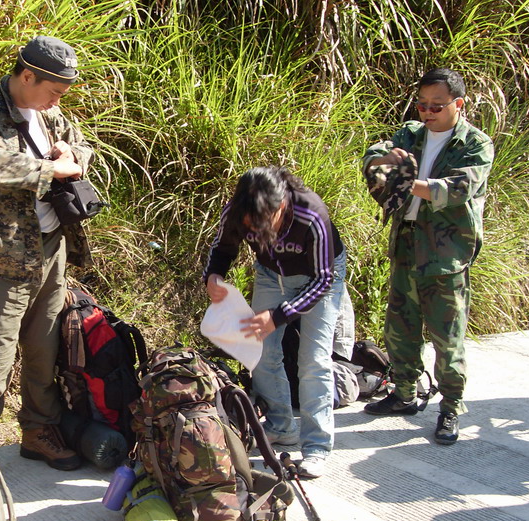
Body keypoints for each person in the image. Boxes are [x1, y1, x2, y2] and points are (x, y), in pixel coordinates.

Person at [0, 35, 95, 470]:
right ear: (27, 75)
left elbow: (83, 148)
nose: (57, 101)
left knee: (44, 348)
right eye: (53, 91)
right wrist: (51, 168)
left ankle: (38, 430)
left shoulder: (48, 111)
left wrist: (73, 154)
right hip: (3, 257)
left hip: (51, 249)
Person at [361, 68, 494, 445]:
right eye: (422, 104)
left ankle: (451, 407)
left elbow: (458, 188)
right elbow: (374, 155)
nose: (427, 112)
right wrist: (382, 161)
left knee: (446, 336)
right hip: (406, 243)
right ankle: (404, 393)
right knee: (400, 327)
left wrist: (401, 178)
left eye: (437, 106)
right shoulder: (411, 133)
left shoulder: (475, 143)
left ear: (458, 104)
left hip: (446, 254)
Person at [204, 166, 347, 478]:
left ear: (281, 205)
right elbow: (222, 248)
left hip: (319, 277)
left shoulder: (311, 213)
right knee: (260, 352)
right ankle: (281, 426)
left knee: (313, 361)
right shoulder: (237, 211)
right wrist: (213, 276)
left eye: (263, 222)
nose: (256, 229)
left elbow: (324, 280)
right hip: (271, 276)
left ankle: (316, 447)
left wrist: (279, 315)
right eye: (249, 225)